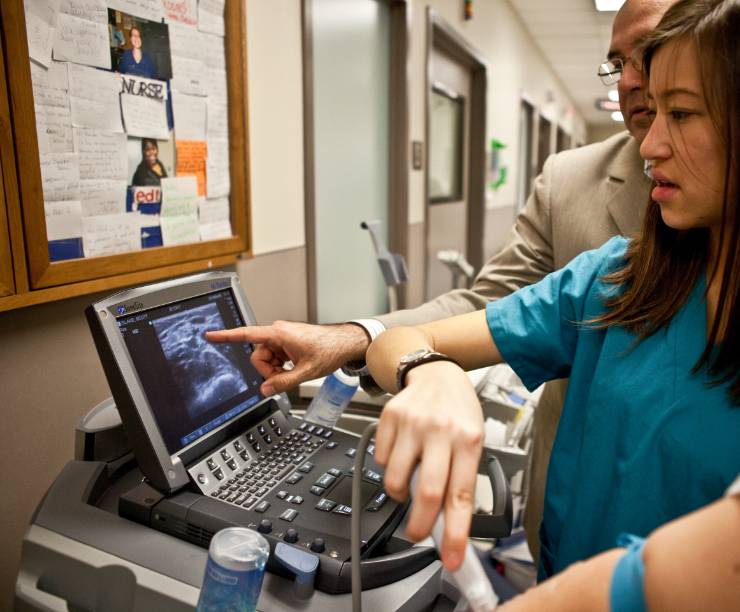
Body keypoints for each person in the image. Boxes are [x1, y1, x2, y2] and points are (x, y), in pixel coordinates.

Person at [206, 0, 675, 562]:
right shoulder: (580, 206)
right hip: (571, 506)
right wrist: (370, 344)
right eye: (615, 61)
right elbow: (485, 300)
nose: (627, 80)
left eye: (646, 52)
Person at [364, 0, 739, 587]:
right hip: (561, 571)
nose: (649, 145)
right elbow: (427, 333)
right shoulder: (617, 277)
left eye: (683, 113)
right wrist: (431, 371)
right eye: (653, 110)